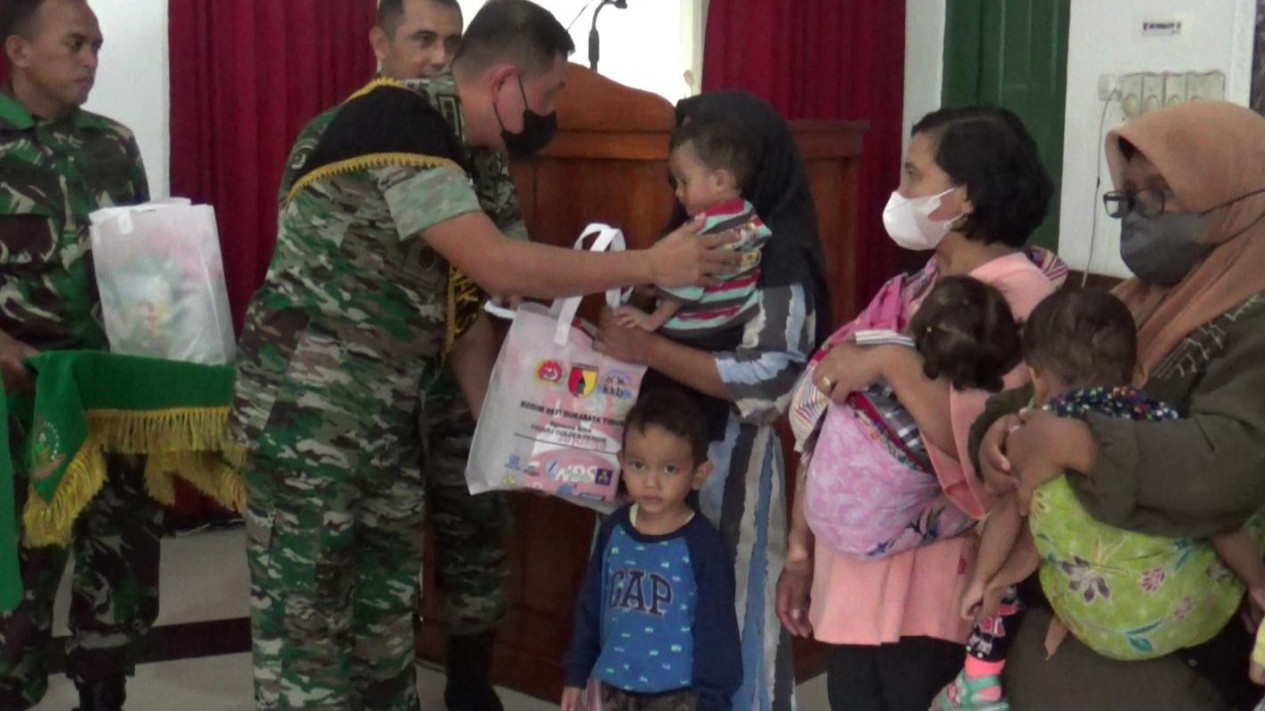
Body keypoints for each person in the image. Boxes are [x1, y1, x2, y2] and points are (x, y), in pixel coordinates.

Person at [231, 1, 741, 709]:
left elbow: (472, 301)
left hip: (388, 412)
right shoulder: (396, 123)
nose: (550, 114)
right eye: (549, 94)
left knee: (383, 620)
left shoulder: (460, 143)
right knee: (309, 627)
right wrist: (652, 260)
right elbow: (497, 263)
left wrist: (501, 432)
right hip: (307, 413)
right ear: (504, 82)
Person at [966, 100, 1265, 711]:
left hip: (1175, 662)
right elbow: (1035, 395)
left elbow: (1231, 464)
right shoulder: (1131, 302)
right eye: (1126, 194)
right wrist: (996, 436)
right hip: (1063, 631)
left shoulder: (1252, 320)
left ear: (1235, 199)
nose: (1134, 211)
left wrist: (1078, 445)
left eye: (1160, 193)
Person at [774, 106, 1066, 711]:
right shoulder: (917, 285)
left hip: (936, 587)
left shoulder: (1022, 298)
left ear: (967, 196)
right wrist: (800, 549)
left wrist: (889, 363)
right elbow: (835, 421)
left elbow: (990, 445)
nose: (900, 192)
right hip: (853, 569)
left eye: (914, 175)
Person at [276, 2, 518, 708]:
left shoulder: (477, 138)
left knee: (478, 523)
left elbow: (505, 249)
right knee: (355, 559)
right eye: (423, 40)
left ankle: (470, 676)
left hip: (461, 362)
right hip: (365, 380)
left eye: (452, 42)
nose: (439, 57)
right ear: (380, 43)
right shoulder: (340, 132)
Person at [594, 91, 830, 711]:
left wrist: (648, 348)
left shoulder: (779, 254)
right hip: (654, 454)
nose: (682, 190)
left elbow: (770, 381)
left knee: (728, 617)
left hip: (728, 466)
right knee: (643, 613)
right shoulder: (686, 237)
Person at [934, 288, 1265, 709]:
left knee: (1033, 519)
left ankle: (978, 682)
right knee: (1212, 514)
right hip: (1182, 618)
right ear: (1140, 373)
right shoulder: (1161, 423)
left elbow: (1011, 517)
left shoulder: (1036, 431)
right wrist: (1257, 582)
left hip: (1092, 617)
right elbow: (1219, 519)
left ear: (1036, 378)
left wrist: (983, 580)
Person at [0, 1, 160, 710]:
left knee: (117, 557)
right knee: (19, 573)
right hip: (19, 401)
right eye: (75, 44)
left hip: (106, 391)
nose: (91, 60)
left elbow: (145, 264)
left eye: (97, 46)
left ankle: (103, 686)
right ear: (18, 50)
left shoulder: (113, 145)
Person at [793, 276, 1020, 564]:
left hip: (815, 509)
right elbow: (973, 460)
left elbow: (810, 400)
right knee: (984, 505)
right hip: (867, 541)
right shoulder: (954, 414)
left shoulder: (874, 346)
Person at [561, 388, 742, 711]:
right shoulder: (613, 531)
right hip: (609, 691)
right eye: (638, 465)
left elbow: (718, 635)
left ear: (699, 474)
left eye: (669, 469)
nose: (651, 482)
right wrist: (576, 675)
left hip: (677, 697)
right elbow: (590, 609)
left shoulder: (703, 547)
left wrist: (713, 702)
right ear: (622, 462)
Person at [615, 117, 771, 337]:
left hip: (696, 324)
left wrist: (652, 320)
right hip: (739, 316)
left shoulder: (702, 226)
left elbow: (685, 282)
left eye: (684, 183)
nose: (678, 193)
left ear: (720, 182)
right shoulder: (749, 213)